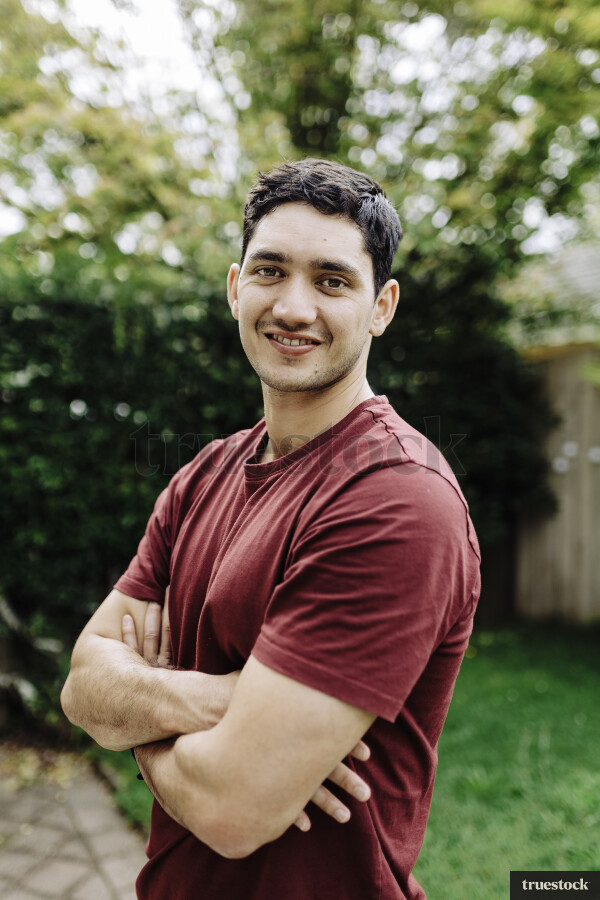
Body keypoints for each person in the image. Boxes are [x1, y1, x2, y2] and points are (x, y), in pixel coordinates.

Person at [61, 157, 481, 900]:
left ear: (381, 307)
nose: (292, 306)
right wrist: (223, 703)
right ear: (235, 287)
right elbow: (82, 687)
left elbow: (231, 808)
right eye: (270, 271)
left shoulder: (397, 499)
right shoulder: (204, 475)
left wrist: (139, 722)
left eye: (332, 280)